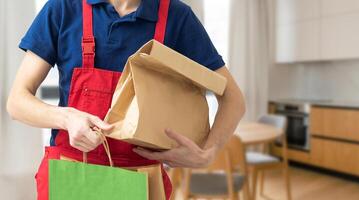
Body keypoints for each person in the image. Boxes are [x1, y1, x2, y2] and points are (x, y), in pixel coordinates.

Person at [6, 0, 246, 199]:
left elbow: (233, 99)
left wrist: (208, 152)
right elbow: (17, 101)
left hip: (141, 182)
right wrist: (66, 118)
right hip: (69, 174)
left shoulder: (176, 17)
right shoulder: (63, 8)